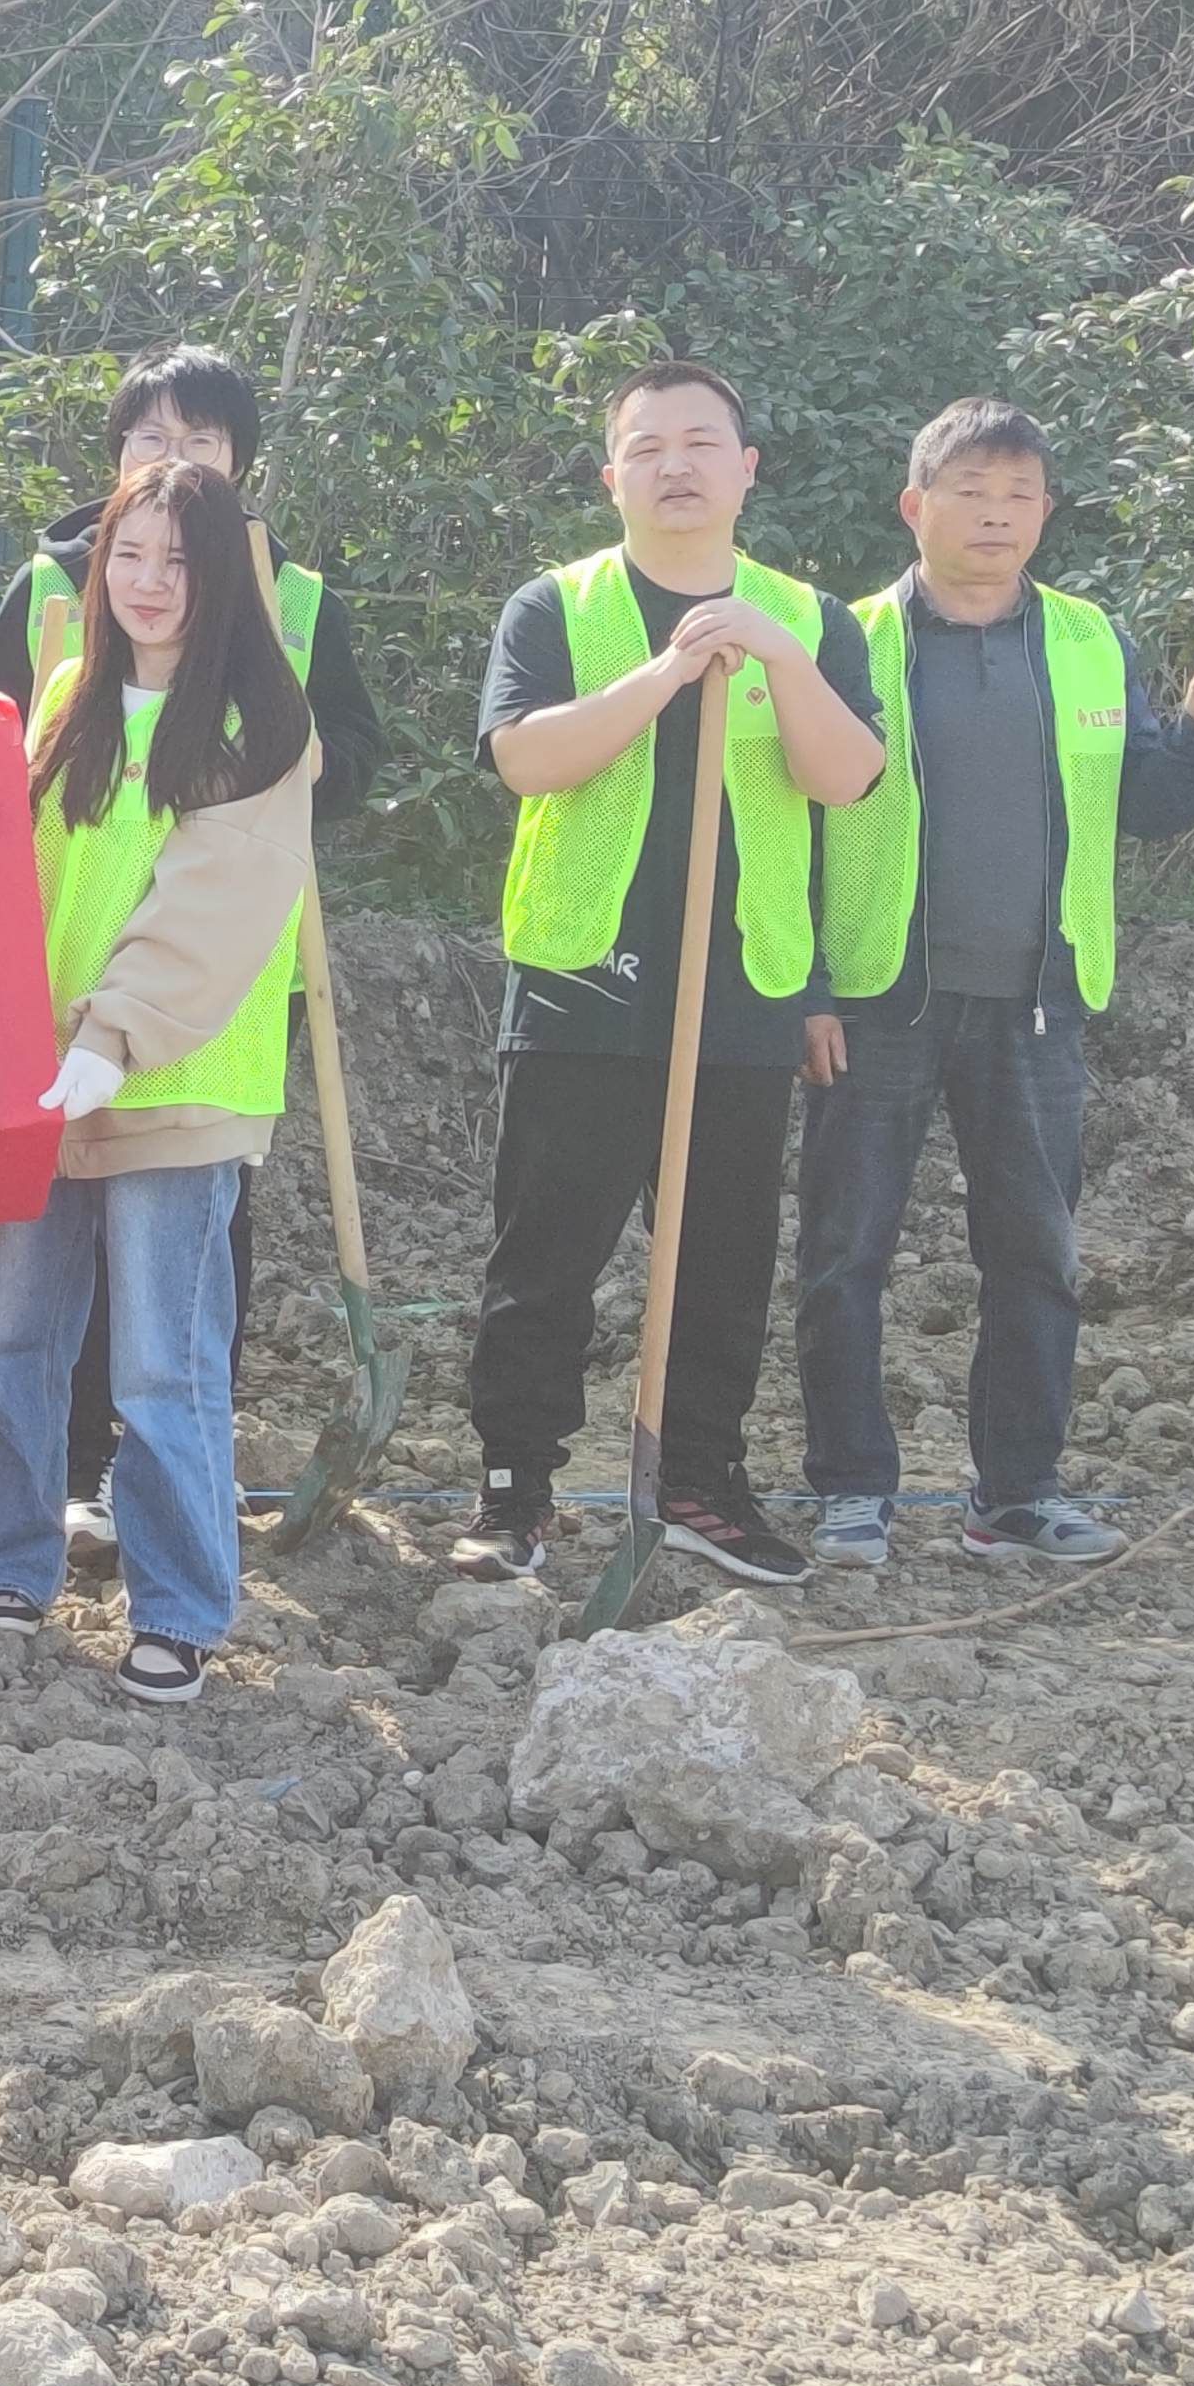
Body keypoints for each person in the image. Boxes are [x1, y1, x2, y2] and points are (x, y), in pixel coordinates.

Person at [795, 398, 1194, 1566]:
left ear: (1045, 513)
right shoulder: (845, 641)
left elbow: (1147, 804)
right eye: (970, 491)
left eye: (1018, 495)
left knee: (1034, 1254)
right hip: (871, 997)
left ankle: (1016, 1491)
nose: (995, 513)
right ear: (915, 506)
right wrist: (800, 985)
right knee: (845, 1252)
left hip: (1037, 1003)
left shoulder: (1087, 641)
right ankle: (850, 1489)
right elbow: (788, 822)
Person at [461, 360, 889, 1586]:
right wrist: (661, 676)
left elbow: (843, 777)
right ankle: (513, 1492)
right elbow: (525, 761)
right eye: (646, 447)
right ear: (611, 477)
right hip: (582, 983)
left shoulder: (810, 619)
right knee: (542, 1254)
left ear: (746, 468)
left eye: (702, 441)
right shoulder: (555, 606)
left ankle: (699, 1480)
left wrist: (772, 659)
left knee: (719, 1259)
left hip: (742, 989)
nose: (676, 465)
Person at [0, 348, 388, 1547]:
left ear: (237, 463)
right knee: (24, 1326)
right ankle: (29, 1532)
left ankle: (163, 1551)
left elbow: (342, 754)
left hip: (198, 1020)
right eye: (144, 438)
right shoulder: (55, 617)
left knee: (173, 1317)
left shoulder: (294, 607)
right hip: (48, 1037)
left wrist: (285, 778)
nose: (167, 461)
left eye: (194, 439)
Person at [0, 460, 323, 1701]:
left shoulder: (262, 725)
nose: (149, 584)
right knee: (14, 1340)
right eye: (128, 556)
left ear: (221, 572)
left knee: (159, 1364)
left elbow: (212, 906)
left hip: (172, 1082)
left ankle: (177, 1605)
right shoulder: (67, 692)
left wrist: (111, 1035)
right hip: (43, 1079)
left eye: (178, 560)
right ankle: (8, 1566)